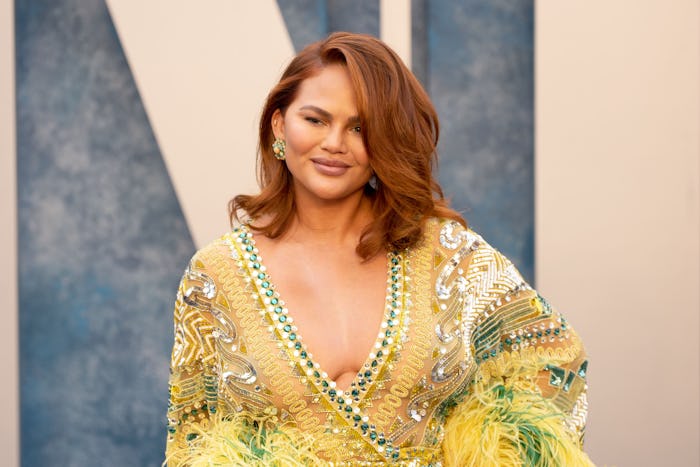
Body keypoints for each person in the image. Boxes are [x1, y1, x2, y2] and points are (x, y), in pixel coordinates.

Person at [164, 32, 593, 466]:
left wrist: (487, 449)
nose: (335, 142)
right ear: (279, 124)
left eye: (360, 127)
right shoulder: (216, 275)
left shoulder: (449, 254)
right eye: (315, 120)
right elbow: (192, 439)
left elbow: (555, 357)